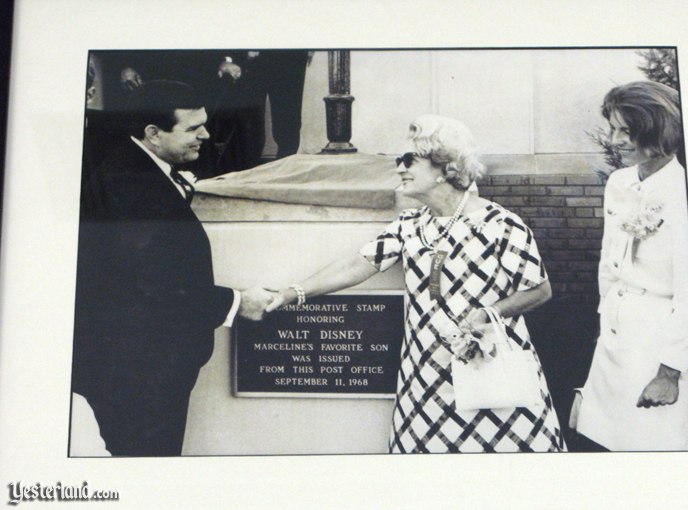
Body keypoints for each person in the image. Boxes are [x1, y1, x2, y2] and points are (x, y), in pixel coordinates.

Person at [248, 114, 565, 453]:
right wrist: (292, 293)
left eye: (410, 160)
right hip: (426, 375)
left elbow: (539, 290)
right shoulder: (410, 224)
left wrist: (488, 313)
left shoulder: (502, 225)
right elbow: (359, 263)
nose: (400, 168)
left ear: (446, 168)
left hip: (489, 371)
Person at [72, 80, 272, 456]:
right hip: (137, 373)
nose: (206, 134)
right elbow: (157, 284)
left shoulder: (136, 169)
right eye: (193, 128)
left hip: (140, 366)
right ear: (153, 133)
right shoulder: (134, 187)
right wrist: (236, 302)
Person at [569, 81, 688, 451]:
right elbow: (608, 262)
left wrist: (670, 372)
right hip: (614, 338)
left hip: (660, 344)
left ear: (659, 129)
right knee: (604, 441)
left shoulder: (686, 192)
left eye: (627, 131)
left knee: (657, 444)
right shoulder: (619, 182)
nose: (616, 140)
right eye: (613, 129)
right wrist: (605, 322)